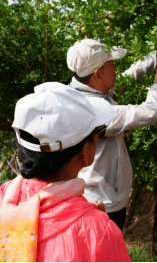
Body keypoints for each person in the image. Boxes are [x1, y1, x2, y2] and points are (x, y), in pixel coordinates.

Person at [0, 82, 131, 261]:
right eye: (97, 135)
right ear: (85, 152)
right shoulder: (99, 232)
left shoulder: (3, 198)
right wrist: (96, 225)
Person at [66, 39, 157, 230]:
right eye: (111, 63)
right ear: (98, 74)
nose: (116, 67)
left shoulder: (85, 89)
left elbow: (130, 75)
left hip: (101, 197)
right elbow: (148, 113)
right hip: (101, 204)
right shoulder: (93, 111)